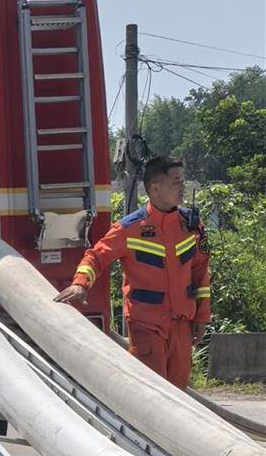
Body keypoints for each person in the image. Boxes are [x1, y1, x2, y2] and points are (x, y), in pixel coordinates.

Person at [54, 157, 210, 389]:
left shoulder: (191, 225)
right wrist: (80, 283)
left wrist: (202, 317)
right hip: (146, 327)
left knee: (177, 394)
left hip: (181, 327)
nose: (182, 187)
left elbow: (201, 273)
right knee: (152, 393)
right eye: (176, 182)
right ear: (155, 188)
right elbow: (96, 256)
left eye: (183, 181)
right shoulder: (129, 229)